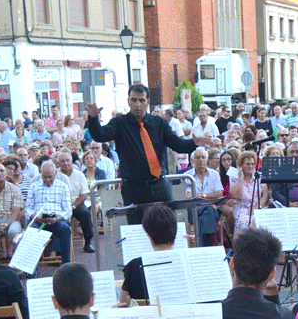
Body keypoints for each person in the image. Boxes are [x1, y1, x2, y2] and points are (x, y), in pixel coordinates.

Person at [86, 84, 209, 223]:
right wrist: (93, 119)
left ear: (148, 102)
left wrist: (193, 143)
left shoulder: (159, 123)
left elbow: (177, 145)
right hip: (133, 187)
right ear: (128, 101)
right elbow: (100, 135)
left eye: (141, 100)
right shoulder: (119, 123)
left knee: (168, 225)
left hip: (159, 184)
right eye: (134, 100)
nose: (137, 104)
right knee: (138, 231)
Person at [121, 203, 177, 303]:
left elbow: (122, 304)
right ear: (175, 231)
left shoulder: (134, 267)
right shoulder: (191, 262)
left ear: (149, 236)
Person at [25, 160, 73, 263]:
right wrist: (35, 216)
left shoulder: (63, 186)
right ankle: (31, 269)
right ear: (40, 174)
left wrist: (57, 218)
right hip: (39, 222)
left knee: (65, 229)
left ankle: (66, 263)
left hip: (56, 221)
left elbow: (68, 210)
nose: (47, 180)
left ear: (56, 173)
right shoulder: (34, 186)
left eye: (50, 177)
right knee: (31, 232)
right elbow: (28, 208)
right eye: (44, 177)